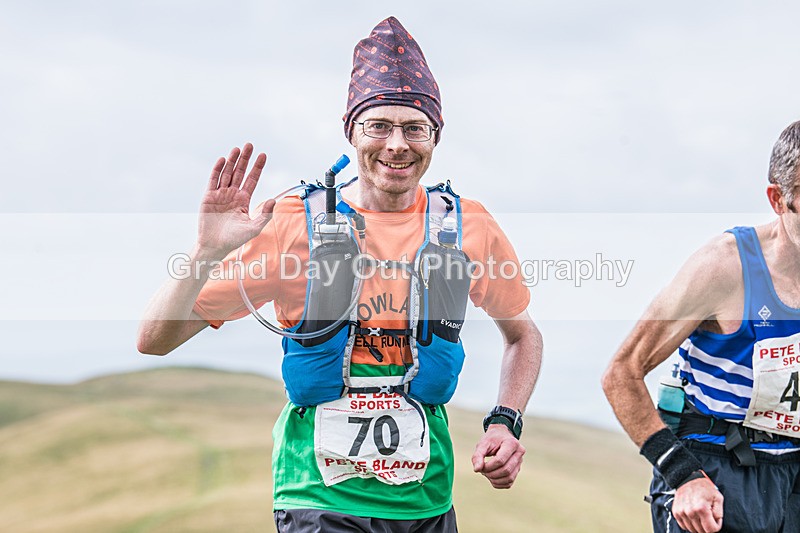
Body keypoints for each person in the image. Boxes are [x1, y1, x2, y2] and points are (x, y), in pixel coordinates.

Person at [138, 16, 542, 532]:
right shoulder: (288, 223)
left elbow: (523, 336)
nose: (397, 144)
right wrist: (205, 251)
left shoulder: (469, 225)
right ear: (350, 131)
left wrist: (506, 421)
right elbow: (154, 340)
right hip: (317, 501)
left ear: (435, 137)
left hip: (427, 504)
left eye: (415, 128)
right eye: (379, 126)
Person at [602, 121, 800, 533]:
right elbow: (621, 374)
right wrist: (684, 477)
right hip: (715, 470)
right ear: (779, 199)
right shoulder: (725, 266)